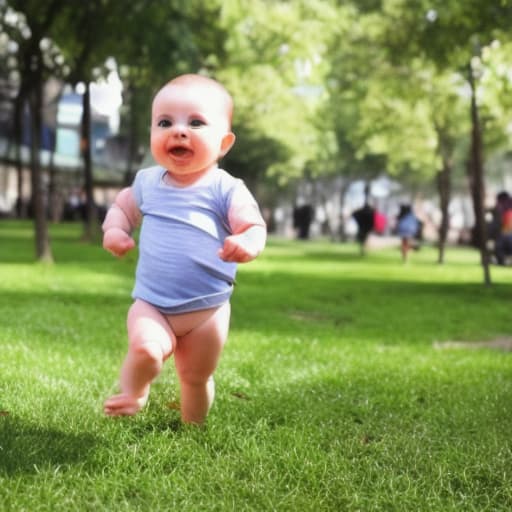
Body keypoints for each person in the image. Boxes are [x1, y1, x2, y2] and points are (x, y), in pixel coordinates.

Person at [102, 74, 267, 424]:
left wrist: (246, 243)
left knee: (195, 378)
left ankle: (193, 430)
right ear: (152, 133)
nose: (178, 130)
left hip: (207, 311)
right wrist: (115, 229)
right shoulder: (147, 182)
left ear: (223, 143)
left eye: (195, 122)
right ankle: (132, 394)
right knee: (147, 348)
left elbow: (253, 226)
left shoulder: (226, 188)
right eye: (165, 122)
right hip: (152, 303)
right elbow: (122, 207)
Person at [493, 191, 512, 265]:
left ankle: (503, 260)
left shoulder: (506, 211)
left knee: (499, 246)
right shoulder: (505, 209)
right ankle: (503, 260)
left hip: (506, 234)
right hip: (505, 233)